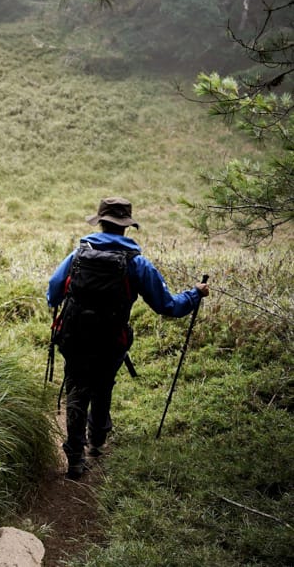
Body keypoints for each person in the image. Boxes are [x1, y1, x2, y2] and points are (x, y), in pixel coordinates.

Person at [46, 197, 209, 479]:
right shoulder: (137, 264)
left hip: (73, 336)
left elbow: (53, 291)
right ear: (126, 227)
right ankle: (96, 440)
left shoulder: (78, 255)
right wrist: (195, 293)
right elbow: (168, 306)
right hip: (111, 340)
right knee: (102, 384)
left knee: (76, 387)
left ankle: (74, 457)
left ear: (100, 222)